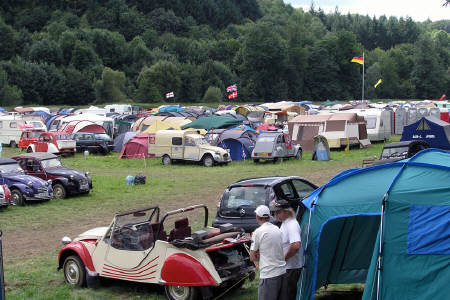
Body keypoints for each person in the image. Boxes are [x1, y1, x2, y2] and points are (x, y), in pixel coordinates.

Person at [250, 205, 287, 300]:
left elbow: (252, 257)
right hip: (282, 272)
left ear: (257, 217)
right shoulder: (277, 229)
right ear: (268, 217)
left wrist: (258, 256)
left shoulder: (258, 232)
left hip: (269, 275)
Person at [271, 199, 304, 300]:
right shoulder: (286, 222)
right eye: (274, 212)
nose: (275, 214)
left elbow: (296, 245)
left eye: (278, 212)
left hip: (291, 267)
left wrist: (283, 258)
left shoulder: (292, 224)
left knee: (288, 295)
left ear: (286, 211)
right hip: (287, 267)